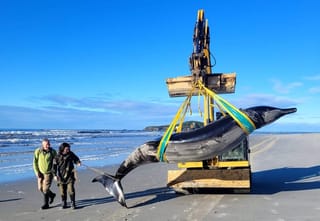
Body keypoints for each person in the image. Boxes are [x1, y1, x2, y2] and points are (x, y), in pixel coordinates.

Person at [54, 142, 81, 209]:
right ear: (62, 149)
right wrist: (54, 175)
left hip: (70, 175)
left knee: (71, 189)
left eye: (69, 149)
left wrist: (78, 162)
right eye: (67, 149)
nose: (68, 150)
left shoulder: (71, 154)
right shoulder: (57, 156)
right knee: (62, 191)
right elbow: (54, 166)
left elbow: (76, 159)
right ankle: (64, 203)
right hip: (61, 176)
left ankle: (73, 203)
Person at [33, 138, 57, 210]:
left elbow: (55, 163)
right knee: (40, 188)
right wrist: (37, 172)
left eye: (49, 144)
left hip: (48, 173)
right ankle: (52, 195)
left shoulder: (53, 151)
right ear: (42, 145)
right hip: (40, 173)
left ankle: (46, 204)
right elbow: (35, 162)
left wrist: (55, 174)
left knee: (45, 189)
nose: (48, 146)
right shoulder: (38, 151)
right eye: (46, 144)